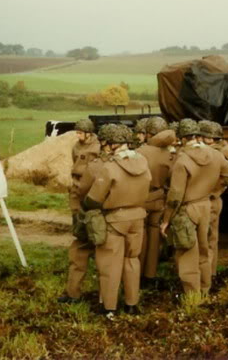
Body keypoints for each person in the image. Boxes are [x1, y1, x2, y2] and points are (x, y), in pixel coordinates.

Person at [160, 119, 228, 296]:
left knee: (187, 253)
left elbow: (175, 196)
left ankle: (192, 296)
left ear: (182, 138)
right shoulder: (215, 154)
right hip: (205, 206)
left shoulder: (182, 160)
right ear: (197, 136)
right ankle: (205, 288)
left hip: (187, 209)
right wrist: (214, 191)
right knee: (204, 250)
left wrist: (166, 220)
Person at [83, 124, 151, 315]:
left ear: (112, 144)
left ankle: (109, 307)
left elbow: (94, 198)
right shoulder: (143, 162)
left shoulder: (110, 167)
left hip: (115, 219)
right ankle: (131, 304)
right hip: (138, 217)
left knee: (110, 264)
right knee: (132, 260)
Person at [58, 124, 114, 304]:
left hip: (88, 209)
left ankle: (73, 293)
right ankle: (107, 299)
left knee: (80, 250)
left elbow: (82, 190)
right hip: (111, 216)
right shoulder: (124, 163)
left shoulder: (96, 166)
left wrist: (78, 207)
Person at [135, 116, 176, 285]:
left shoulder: (139, 152)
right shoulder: (170, 155)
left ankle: (136, 274)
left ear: (148, 134)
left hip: (141, 198)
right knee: (154, 238)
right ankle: (150, 275)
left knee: (140, 238)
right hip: (159, 199)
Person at [198, 120, 228, 277]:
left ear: (209, 139)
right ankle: (210, 272)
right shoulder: (223, 153)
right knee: (212, 238)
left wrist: (212, 190)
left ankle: (205, 275)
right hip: (214, 200)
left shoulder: (211, 155)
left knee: (204, 240)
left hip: (207, 200)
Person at [69, 119, 100, 213]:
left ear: (88, 133)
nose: (77, 135)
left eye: (80, 133)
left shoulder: (97, 147)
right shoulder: (76, 146)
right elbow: (75, 161)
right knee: (75, 208)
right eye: (77, 133)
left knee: (91, 211)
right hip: (77, 182)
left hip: (91, 183)